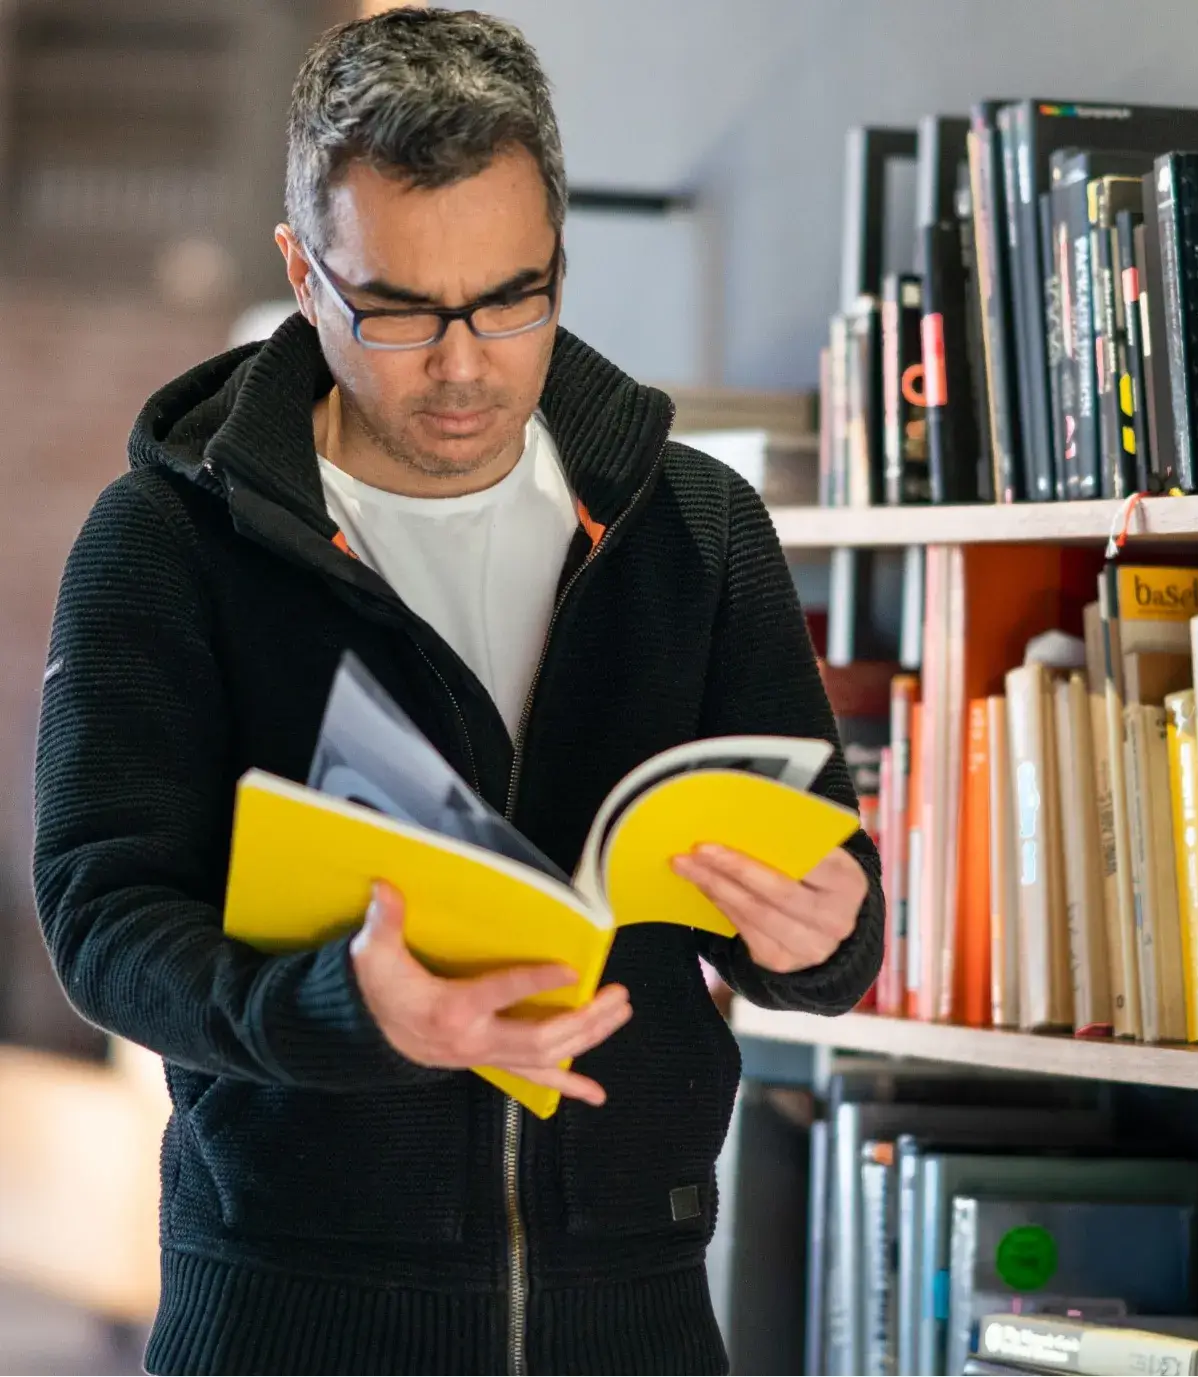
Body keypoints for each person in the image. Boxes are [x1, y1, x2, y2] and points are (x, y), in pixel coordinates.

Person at [31, 9, 881, 1376]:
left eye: (512, 297)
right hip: (288, 1315)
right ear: (302, 274)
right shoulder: (168, 539)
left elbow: (821, 910)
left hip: (641, 1312)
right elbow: (103, 922)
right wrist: (344, 1012)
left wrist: (825, 936)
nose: (466, 362)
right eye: (401, 310)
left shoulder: (698, 527)